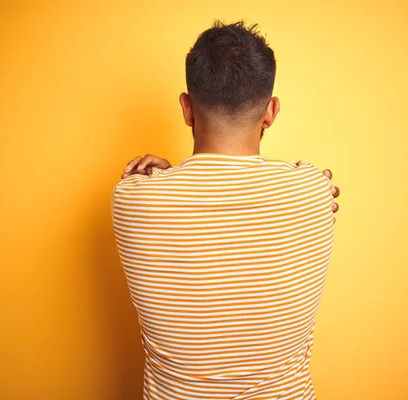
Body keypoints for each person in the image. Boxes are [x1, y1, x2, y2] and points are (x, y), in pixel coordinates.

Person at [112, 19, 341, 400]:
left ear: (186, 108)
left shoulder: (132, 198)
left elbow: (196, 208)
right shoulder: (314, 190)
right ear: (271, 111)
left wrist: (164, 181)